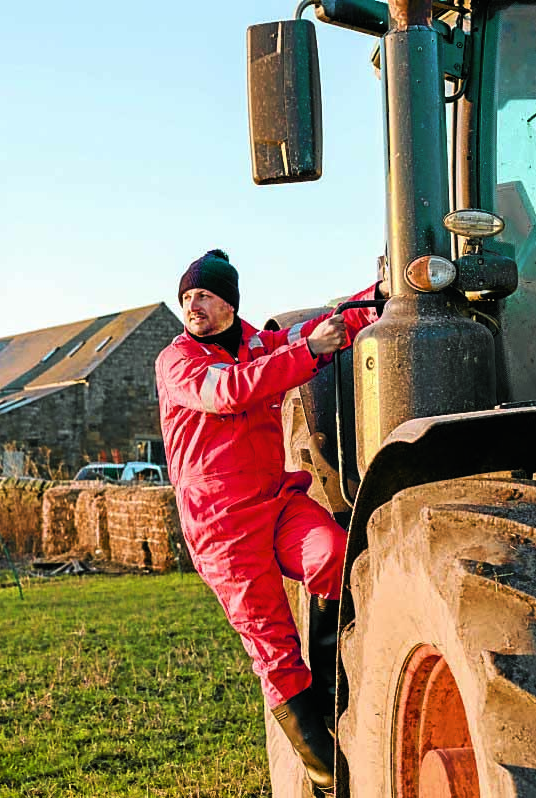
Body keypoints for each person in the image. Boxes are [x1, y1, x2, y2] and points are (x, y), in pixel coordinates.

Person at [154, 248, 383, 789]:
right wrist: (308, 351)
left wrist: (381, 295)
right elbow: (230, 391)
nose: (193, 306)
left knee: (332, 555)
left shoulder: (260, 343)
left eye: (204, 295)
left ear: (229, 301)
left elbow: (328, 328)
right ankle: (326, 777)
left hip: (276, 501)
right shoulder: (178, 361)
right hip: (221, 524)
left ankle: (332, 701)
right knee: (274, 647)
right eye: (187, 297)